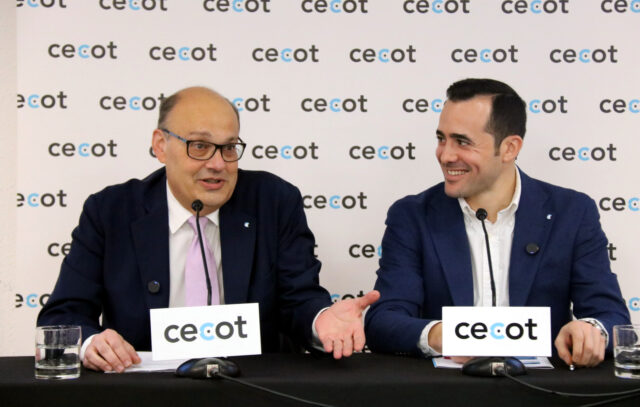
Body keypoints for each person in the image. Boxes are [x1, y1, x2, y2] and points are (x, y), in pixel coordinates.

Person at [38, 86, 379, 372]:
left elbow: (299, 298)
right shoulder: (111, 211)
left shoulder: (273, 202)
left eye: (229, 148)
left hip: (252, 388)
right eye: (200, 146)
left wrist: (320, 320)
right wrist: (92, 343)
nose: (218, 164)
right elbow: (63, 316)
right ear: (160, 145)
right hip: (145, 390)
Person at [364, 78, 630, 367]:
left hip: (543, 387)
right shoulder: (412, 215)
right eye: (441, 139)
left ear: (509, 148)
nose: (445, 155)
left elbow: (611, 316)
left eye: (462, 142)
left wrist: (590, 330)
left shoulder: (572, 212)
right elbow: (383, 321)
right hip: (447, 387)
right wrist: (443, 335)